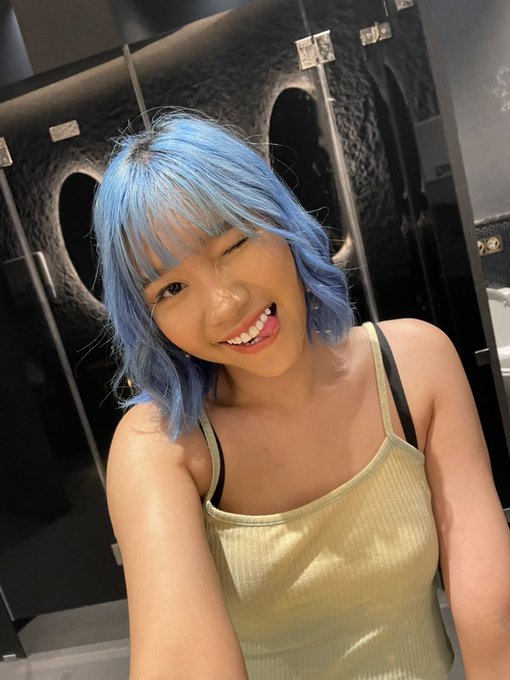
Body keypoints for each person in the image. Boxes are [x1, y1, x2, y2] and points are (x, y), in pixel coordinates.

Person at [93, 112, 510, 680]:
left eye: (233, 244)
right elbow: (180, 661)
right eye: (171, 288)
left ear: (278, 219)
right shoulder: (160, 447)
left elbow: (495, 616)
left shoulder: (415, 366)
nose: (224, 305)